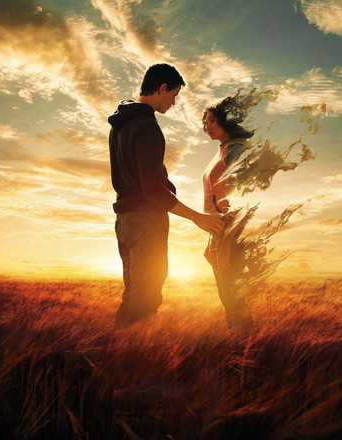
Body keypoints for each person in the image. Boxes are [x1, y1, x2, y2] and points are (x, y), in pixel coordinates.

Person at [109, 63, 224, 327]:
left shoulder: (119, 124)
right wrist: (199, 218)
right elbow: (152, 191)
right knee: (146, 297)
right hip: (146, 222)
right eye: (173, 96)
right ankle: (133, 360)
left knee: (134, 292)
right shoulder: (147, 126)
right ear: (161, 88)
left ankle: (118, 355)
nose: (173, 103)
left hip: (124, 221)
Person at [202, 97, 254, 329]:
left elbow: (244, 200)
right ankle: (238, 347)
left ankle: (246, 350)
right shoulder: (222, 150)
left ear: (227, 120)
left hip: (230, 232)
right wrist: (212, 240)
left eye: (212, 121)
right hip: (218, 231)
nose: (207, 126)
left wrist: (225, 243)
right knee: (227, 297)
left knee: (233, 297)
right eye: (206, 122)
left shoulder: (238, 150)